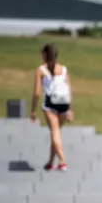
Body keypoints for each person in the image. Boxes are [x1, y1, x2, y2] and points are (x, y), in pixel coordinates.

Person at [30, 43, 74, 172]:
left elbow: (37, 92)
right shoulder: (64, 69)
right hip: (64, 103)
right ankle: (50, 162)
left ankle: (62, 161)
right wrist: (70, 109)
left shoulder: (41, 70)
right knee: (57, 133)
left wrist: (33, 110)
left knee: (55, 131)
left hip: (50, 105)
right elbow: (69, 89)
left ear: (44, 55)